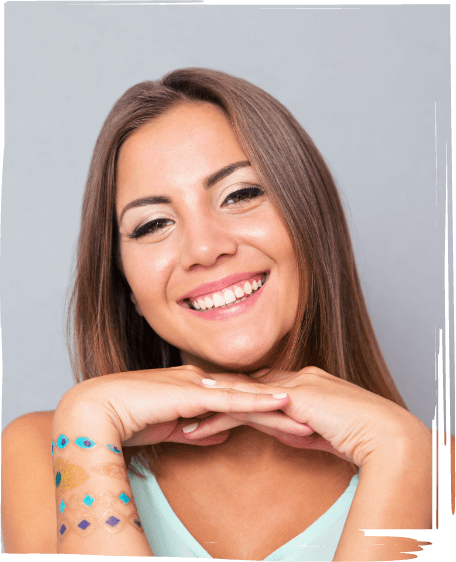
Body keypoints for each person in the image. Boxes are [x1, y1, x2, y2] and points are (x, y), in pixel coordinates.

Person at [1, 68, 437, 560]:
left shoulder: (436, 470)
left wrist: (399, 450)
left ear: (310, 218)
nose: (204, 249)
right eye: (154, 224)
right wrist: (88, 419)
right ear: (125, 287)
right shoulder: (53, 448)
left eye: (241, 194)